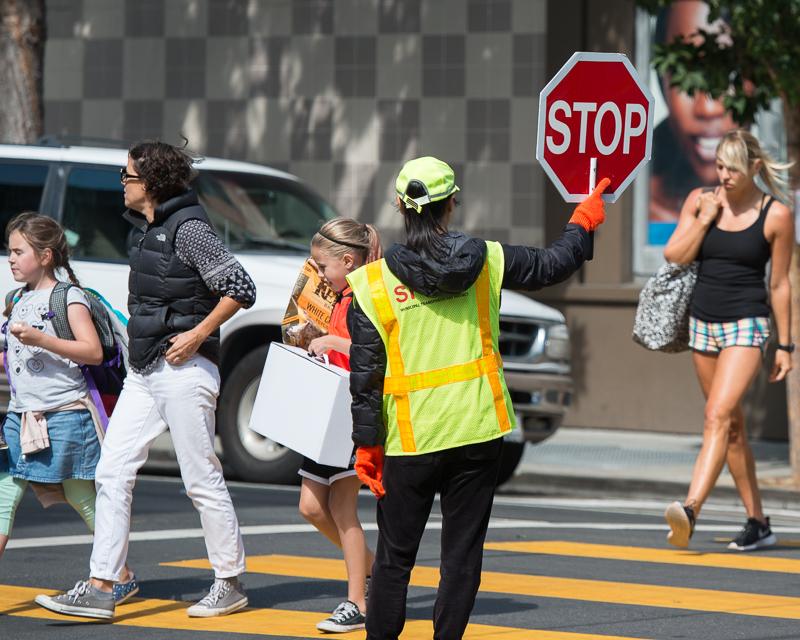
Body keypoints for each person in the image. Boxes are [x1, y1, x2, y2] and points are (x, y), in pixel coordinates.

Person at [345, 156, 609, 639]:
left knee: (394, 560)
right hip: (477, 430)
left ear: (401, 208)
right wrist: (581, 222)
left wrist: (366, 446)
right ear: (452, 206)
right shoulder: (485, 259)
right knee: (461, 556)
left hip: (410, 440)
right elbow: (553, 264)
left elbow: (366, 378)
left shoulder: (371, 284)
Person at [36, 140, 256, 619]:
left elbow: (240, 288)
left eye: (126, 175)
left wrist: (197, 335)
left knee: (200, 479)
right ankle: (102, 584)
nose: (122, 183)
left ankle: (229, 581)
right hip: (145, 370)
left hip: (184, 369)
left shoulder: (189, 227)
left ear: (150, 183)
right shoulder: (150, 229)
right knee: (112, 472)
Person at [662, 129, 793, 551]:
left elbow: (781, 285)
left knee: (716, 416)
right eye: (719, 166)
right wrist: (703, 219)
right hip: (703, 322)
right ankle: (758, 521)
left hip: (746, 325)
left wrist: (786, 346)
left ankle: (691, 509)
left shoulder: (776, 215)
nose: (724, 175)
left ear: (754, 167)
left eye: (732, 168)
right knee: (732, 428)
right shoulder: (703, 200)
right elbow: (675, 254)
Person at [0, 212, 138, 603]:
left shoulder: (68, 297)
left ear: (45, 256)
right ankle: (120, 572)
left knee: (82, 496)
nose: (10, 259)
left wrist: (41, 339)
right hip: (20, 416)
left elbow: (92, 352)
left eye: (18, 251)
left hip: (66, 416)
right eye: (9, 251)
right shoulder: (16, 299)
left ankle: (119, 573)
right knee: (4, 497)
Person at [300, 218, 380, 633]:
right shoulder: (344, 296)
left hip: (350, 416)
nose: (320, 275)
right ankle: (374, 569)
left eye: (324, 267)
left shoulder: (364, 298)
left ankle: (358, 601)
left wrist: (331, 342)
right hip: (327, 413)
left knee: (343, 509)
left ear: (347, 262)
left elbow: (372, 352)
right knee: (311, 506)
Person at [648, 1, 737, 230]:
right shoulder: (645, 203)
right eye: (684, 73)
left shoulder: (771, 211)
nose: (708, 108)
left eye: (728, 75)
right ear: (662, 81)